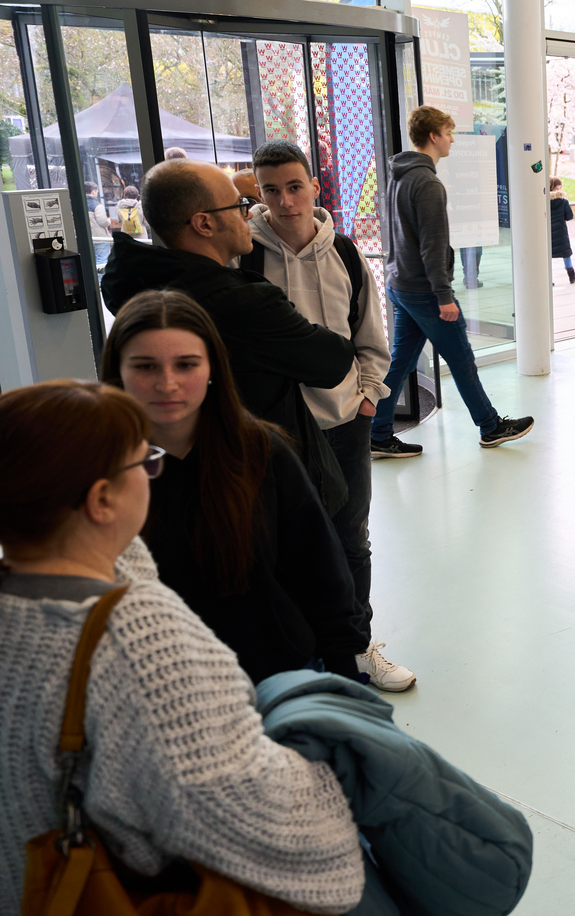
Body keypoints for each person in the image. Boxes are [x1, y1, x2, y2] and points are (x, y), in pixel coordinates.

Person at [0, 380, 366, 916]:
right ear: (102, 500)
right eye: (143, 463)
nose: (153, 473)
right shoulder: (138, 639)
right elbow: (263, 825)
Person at [102, 289, 369, 686]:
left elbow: (320, 572)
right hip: (154, 685)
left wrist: (342, 674)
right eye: (145, 367)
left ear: (212, 367)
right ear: (118, 373)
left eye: (186, 364)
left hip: (273, 677)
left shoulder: (262, 451)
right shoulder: (98, 467)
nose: (167, 384)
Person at [246, 140, 415, 692]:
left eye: (295, 187)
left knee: (350, 539)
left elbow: (370, 335)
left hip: (343, 423)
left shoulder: (344, 253)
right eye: (271, 190)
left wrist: (367, 400)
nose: (285, 201)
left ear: (314, 186)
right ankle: (301, 655)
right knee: (279, 542)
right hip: (272, 428)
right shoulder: (244, 256)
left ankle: (356, 646)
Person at [99, 159, 357, 514]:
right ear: (204, 223)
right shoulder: (241, 304)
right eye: (239, 205)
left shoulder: (139, 284)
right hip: (258, 485)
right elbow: (333, 360)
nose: (250, 214)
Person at [370, 106, 534, 446]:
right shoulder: (427, 183)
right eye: (448, 133)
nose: (452, 140)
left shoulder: (398, 174)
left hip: (401, 283)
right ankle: (490, 426)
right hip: (425, 292)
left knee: (400, 362)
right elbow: (432, 247)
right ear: (433, 136)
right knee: (461, 359)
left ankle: (377, 433)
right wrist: (444, 297)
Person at [551, 176, 575, 283]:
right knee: (566, 253)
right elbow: (569, 216)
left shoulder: (543, 200)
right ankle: (572, 276)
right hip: (561, 232)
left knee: (547, 254)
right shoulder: (563, 201)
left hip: (548, 232)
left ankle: (549, 280)